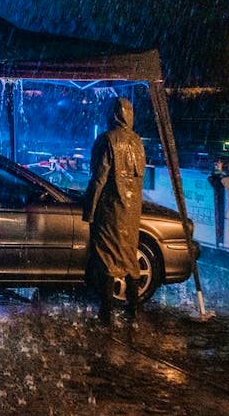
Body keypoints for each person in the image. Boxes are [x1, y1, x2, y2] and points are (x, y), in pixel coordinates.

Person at [81, 97, 146, 324]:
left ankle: (106, 313)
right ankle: (133, 311)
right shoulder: (138, 141)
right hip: (131, 211)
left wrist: (89, 210)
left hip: (110, 210)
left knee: (108, 260)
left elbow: (99, 179)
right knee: (130, 259)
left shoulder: (106, 140)